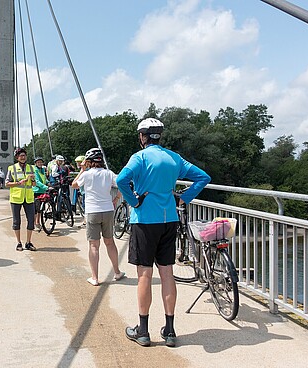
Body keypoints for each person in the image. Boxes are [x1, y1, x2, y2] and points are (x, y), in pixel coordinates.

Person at [116, 118, 210, 348]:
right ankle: (169, 330)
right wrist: (184, 197)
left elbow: (121, 180)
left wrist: (133, 201)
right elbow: (203, 177)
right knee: (167, 272)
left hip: (145, 221)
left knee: (144, 275)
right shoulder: (174, 158)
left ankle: (143, 331)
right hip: (170, 219)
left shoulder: (139, 157)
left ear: (142, 136)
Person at [72, 148, 125, 286]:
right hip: (107, 210)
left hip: (92, 212)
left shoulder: (87, 174)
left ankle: (95, 278)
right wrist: (116, 199)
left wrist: (82, 170)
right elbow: (122, 185)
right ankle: (117, 272)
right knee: (110, 242)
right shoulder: (109, 173)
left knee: (94, 245)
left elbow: (74, 185)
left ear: (89, 161)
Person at [5, 148, 37, 251]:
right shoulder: (12, 168)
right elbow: (7, 183)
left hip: (28, 198)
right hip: (16, 198)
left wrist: (32, 180)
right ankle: (18, 242)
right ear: (17, 157)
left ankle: (28, 242)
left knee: (31, 220)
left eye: (24, 155)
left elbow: (34, 184)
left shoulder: (31, 168)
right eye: (21, 156)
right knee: (16, 221)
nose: (23, 157)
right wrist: (19, 183)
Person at [32, 157, 49, 231]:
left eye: (41, 162)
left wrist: (49, 183)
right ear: (35, 163)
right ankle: (33, 224)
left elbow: (44, 179)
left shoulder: (42, 170)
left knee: (40, 209)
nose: (39, 163)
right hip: (36, 191)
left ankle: (38, 222)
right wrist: (45, 187)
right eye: (38, 162)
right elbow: (37, 181)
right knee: (36, 209)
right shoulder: (35, 170)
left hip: (42, 191)